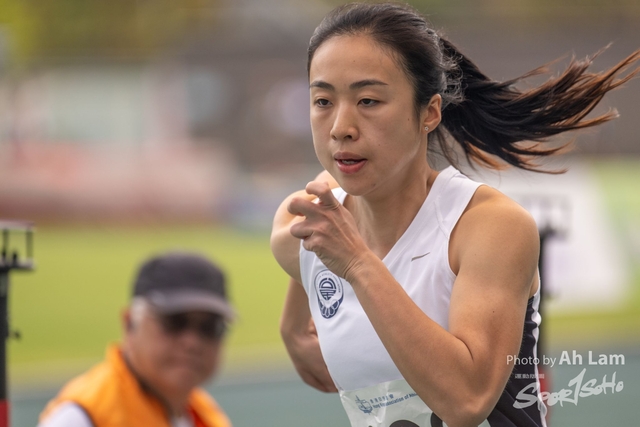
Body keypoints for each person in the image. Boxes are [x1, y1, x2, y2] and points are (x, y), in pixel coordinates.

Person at [270, 3, 639, 427]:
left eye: (368, 100)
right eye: (322, 100)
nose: (340, 127)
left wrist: (356, 263)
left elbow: (467, 400)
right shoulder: (304, 231)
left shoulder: (489, 227)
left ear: (429, 112)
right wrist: (292, 327)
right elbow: (309, 269)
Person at [38, 251, 234, 427]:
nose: (192, 342)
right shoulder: (84, 418)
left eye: (210, 327)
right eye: (174, 322)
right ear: (130, 323)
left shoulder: (204, 414)